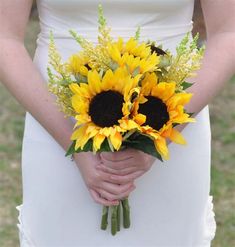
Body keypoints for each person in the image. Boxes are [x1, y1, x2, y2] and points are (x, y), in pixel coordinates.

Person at [0, 0, 234, 246]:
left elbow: (229, 31)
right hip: (56, 122)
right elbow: (5, 35)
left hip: (173, 122)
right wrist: (74, 144)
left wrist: (160, 136)